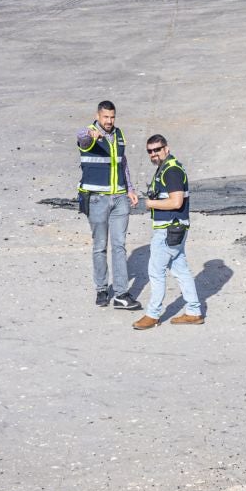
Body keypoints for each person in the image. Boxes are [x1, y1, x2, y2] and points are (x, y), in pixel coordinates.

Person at [132, 134, 203, 330]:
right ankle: (194, 311)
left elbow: (176, 201)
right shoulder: (167, 168)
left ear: (166, 148)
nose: (154, 153)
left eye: (157, 149)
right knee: (180, 270)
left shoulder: (171, 171)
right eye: (150, 151)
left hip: (168, 230)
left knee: (155, 272)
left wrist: (150, 203)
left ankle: (153, 315)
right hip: (176, 228)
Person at [76, 100, 140, 309]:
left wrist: (129, 188)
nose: (110, 121)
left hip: (120, 198)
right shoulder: (90, 133)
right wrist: (90, 135)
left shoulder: (119, 134)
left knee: (119, 245)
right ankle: (102, 289)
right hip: (97, 199)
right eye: (106, 117)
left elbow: (123, 162)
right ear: (98, 115)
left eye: (112, 117)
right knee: (100, 246)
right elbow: (82, 139)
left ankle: (121, 293)